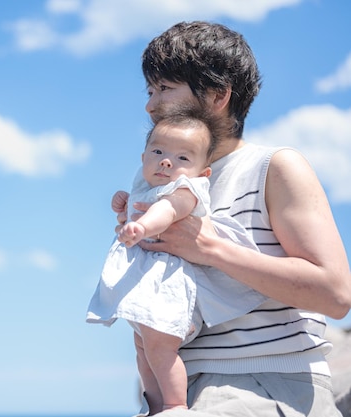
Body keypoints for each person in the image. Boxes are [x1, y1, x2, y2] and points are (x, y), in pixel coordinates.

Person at [112, 21, 351, 416]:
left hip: (263, 385)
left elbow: (336, 294)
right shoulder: (157, 179)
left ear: (218, 94)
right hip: (174, 391)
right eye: (150, 90)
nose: (150, 105)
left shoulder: (273, 167)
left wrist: (210, 248)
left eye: (165, 88)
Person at [87, 109, 267, 415]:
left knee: (161, 348)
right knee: (143, 349)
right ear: (143, 156)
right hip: (147, 292)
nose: (167, 161)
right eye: (158, 152)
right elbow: (140, 208)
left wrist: (142, 226)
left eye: (183, 158)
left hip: (168, 289)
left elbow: (168, 210)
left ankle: (175, 405)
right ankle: (155, 405)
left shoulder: (187, 190)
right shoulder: (147, 187)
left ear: (203, 172)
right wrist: (124, 204)